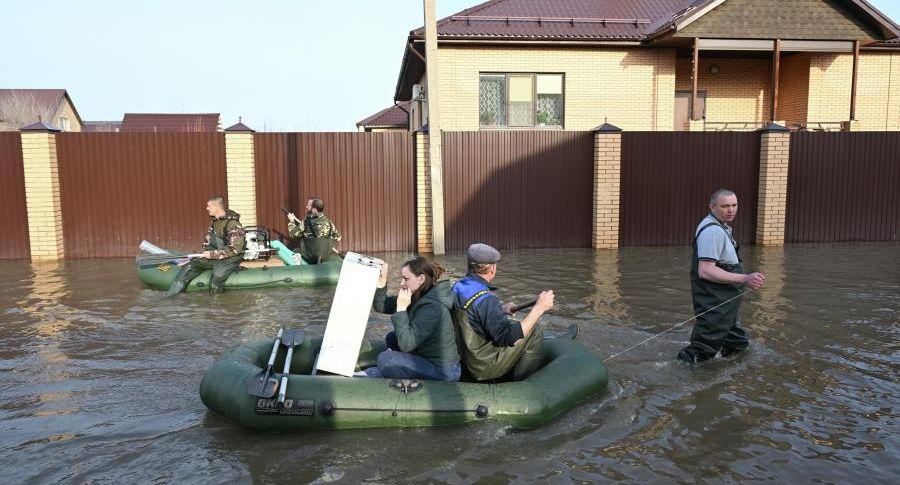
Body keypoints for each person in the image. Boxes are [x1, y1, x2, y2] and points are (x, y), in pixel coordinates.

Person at [677, 189, 766, 364]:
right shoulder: (713, 232)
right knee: (701, 352)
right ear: (712, 207)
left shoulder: (719, 226)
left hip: (726, 303)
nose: (731, 210)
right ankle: (676, 375)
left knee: (737, 345)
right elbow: (706, 270)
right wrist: (745, 279)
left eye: (734, 205)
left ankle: (730, 376)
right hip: (715, 302)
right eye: (725, 206)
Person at [451, 243, 564, 381]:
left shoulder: (458, 286)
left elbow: (472, 314)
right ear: (492, 269)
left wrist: (501, 309)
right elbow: (508, 337)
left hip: (465, 357)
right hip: (481, 365)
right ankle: (522, 382)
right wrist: (539, 308)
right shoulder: (487, 300)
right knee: (535, 330)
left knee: (516, 323)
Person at [365, 257, 461, 381]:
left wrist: (401, 309)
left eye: (406, 279)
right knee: (392, 338)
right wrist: (382, 279)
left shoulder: (433, 307)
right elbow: (381, 306)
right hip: (423, 355)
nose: (401, 283)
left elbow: (406, 345)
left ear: (421, 279)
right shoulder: (417, 294)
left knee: (385, 359)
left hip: (443, 371)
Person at [165, 196, 245, 296]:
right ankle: (172, 298)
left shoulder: (233, 224)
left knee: (215, 280)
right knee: (189, 267)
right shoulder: (215, 222)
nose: (207, 208)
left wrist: (212, 254)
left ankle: (217, 307)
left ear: (217, 208)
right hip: (214, 256)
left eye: (209, 206)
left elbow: (235, 249)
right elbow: (208, 242)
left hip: (230, 258)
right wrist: (202, 253)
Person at [286, 197, 342, 264]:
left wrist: (291, 221)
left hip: (310, 257)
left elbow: (292, 234)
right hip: (325, 257)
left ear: (314, 209)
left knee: (295, 251)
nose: (306, 207)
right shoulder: (329, 223)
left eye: (309, 206)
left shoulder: (305, 223)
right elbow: (338, 238)